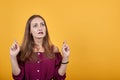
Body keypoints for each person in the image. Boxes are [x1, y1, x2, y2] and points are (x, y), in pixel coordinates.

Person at [10, 15, 70, 80]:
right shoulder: (22, 50)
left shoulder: (53, 49)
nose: (40, 28)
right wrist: (13, 56)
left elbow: (58, 77)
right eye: (35, 25)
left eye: (42, 24)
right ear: (30, 31)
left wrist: (65, 57)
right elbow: (18, 77)